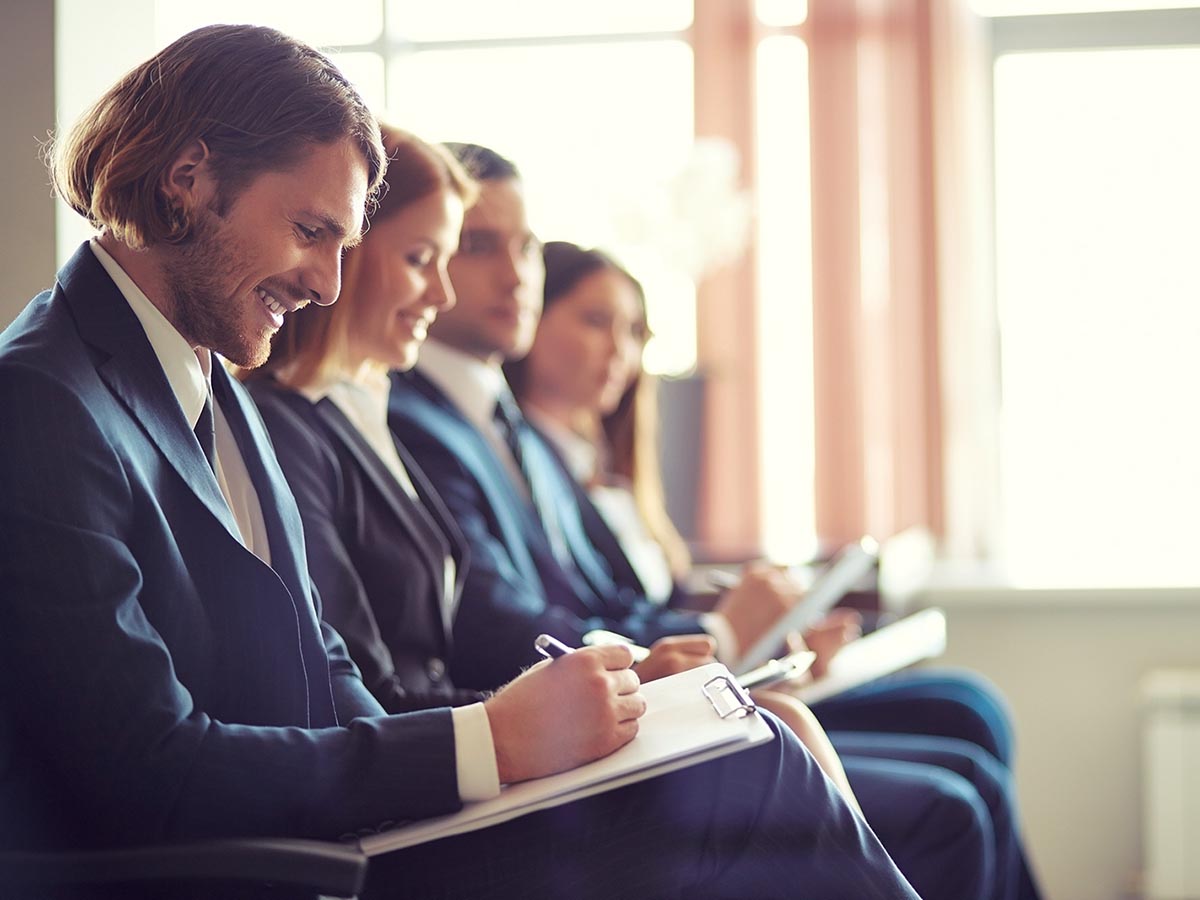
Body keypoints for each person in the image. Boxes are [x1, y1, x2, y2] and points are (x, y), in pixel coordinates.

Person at [0, 26, 922, 900]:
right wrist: (483, 744)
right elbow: (145, 769)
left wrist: (534, 721)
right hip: (275, 869)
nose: (327, 284)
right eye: (312, 232)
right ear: (189, 180)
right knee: (757, 778)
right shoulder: (41, 398)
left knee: (745, 746)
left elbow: (324, 669)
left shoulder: (209, 370)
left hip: (349, 825)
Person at [387, 143, 1004, 900]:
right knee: (933, 792)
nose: (515, 274)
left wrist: (727, 635)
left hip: (595, 701)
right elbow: (497, 620)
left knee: (945, 729)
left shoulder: (505, 424)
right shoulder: (419, 420)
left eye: (523, 248)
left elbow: (593, 600)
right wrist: (712, 641)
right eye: (473, 247)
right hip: (534, 736)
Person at [507, 238, 1044, 900]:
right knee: (958, 788)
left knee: (971, 708)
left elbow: (653, 600)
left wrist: (775, 633)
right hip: (669, 705)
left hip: (713, 674)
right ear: (534, 321)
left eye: (636, 331)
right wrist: (729, 631)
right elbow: (605, 618)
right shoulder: (529, 467)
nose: (621, 351)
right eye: (595, 321)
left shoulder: (613, 476)